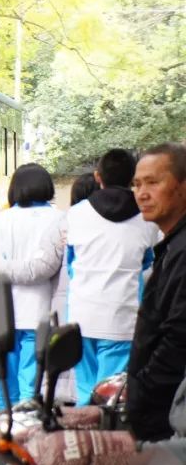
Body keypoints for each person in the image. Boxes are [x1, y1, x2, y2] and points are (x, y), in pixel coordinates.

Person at [60, 149, 160, 404]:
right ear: (133, 179)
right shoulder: (146, 217)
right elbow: (148, 261)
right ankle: (104, 440)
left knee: (85, 391)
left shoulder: (76, 214)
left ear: (97, 176)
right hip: (122, 317)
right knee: (111, 397)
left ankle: (82, 440)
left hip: (81, 315)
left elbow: (71, 262)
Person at [0, 163, 64, 410]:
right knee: (33, 378)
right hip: (40, 307)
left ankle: (5, 425)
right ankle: (28, 426)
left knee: (5, 380)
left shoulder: (4, 218)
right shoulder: (59, 217)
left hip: (3, 307)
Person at [127, 143, 186, 442]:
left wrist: (142, 396)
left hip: (167, 423)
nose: (142, 193)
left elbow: (177, 339)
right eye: (137, 184)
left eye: (153, 182)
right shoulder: (171, 246)